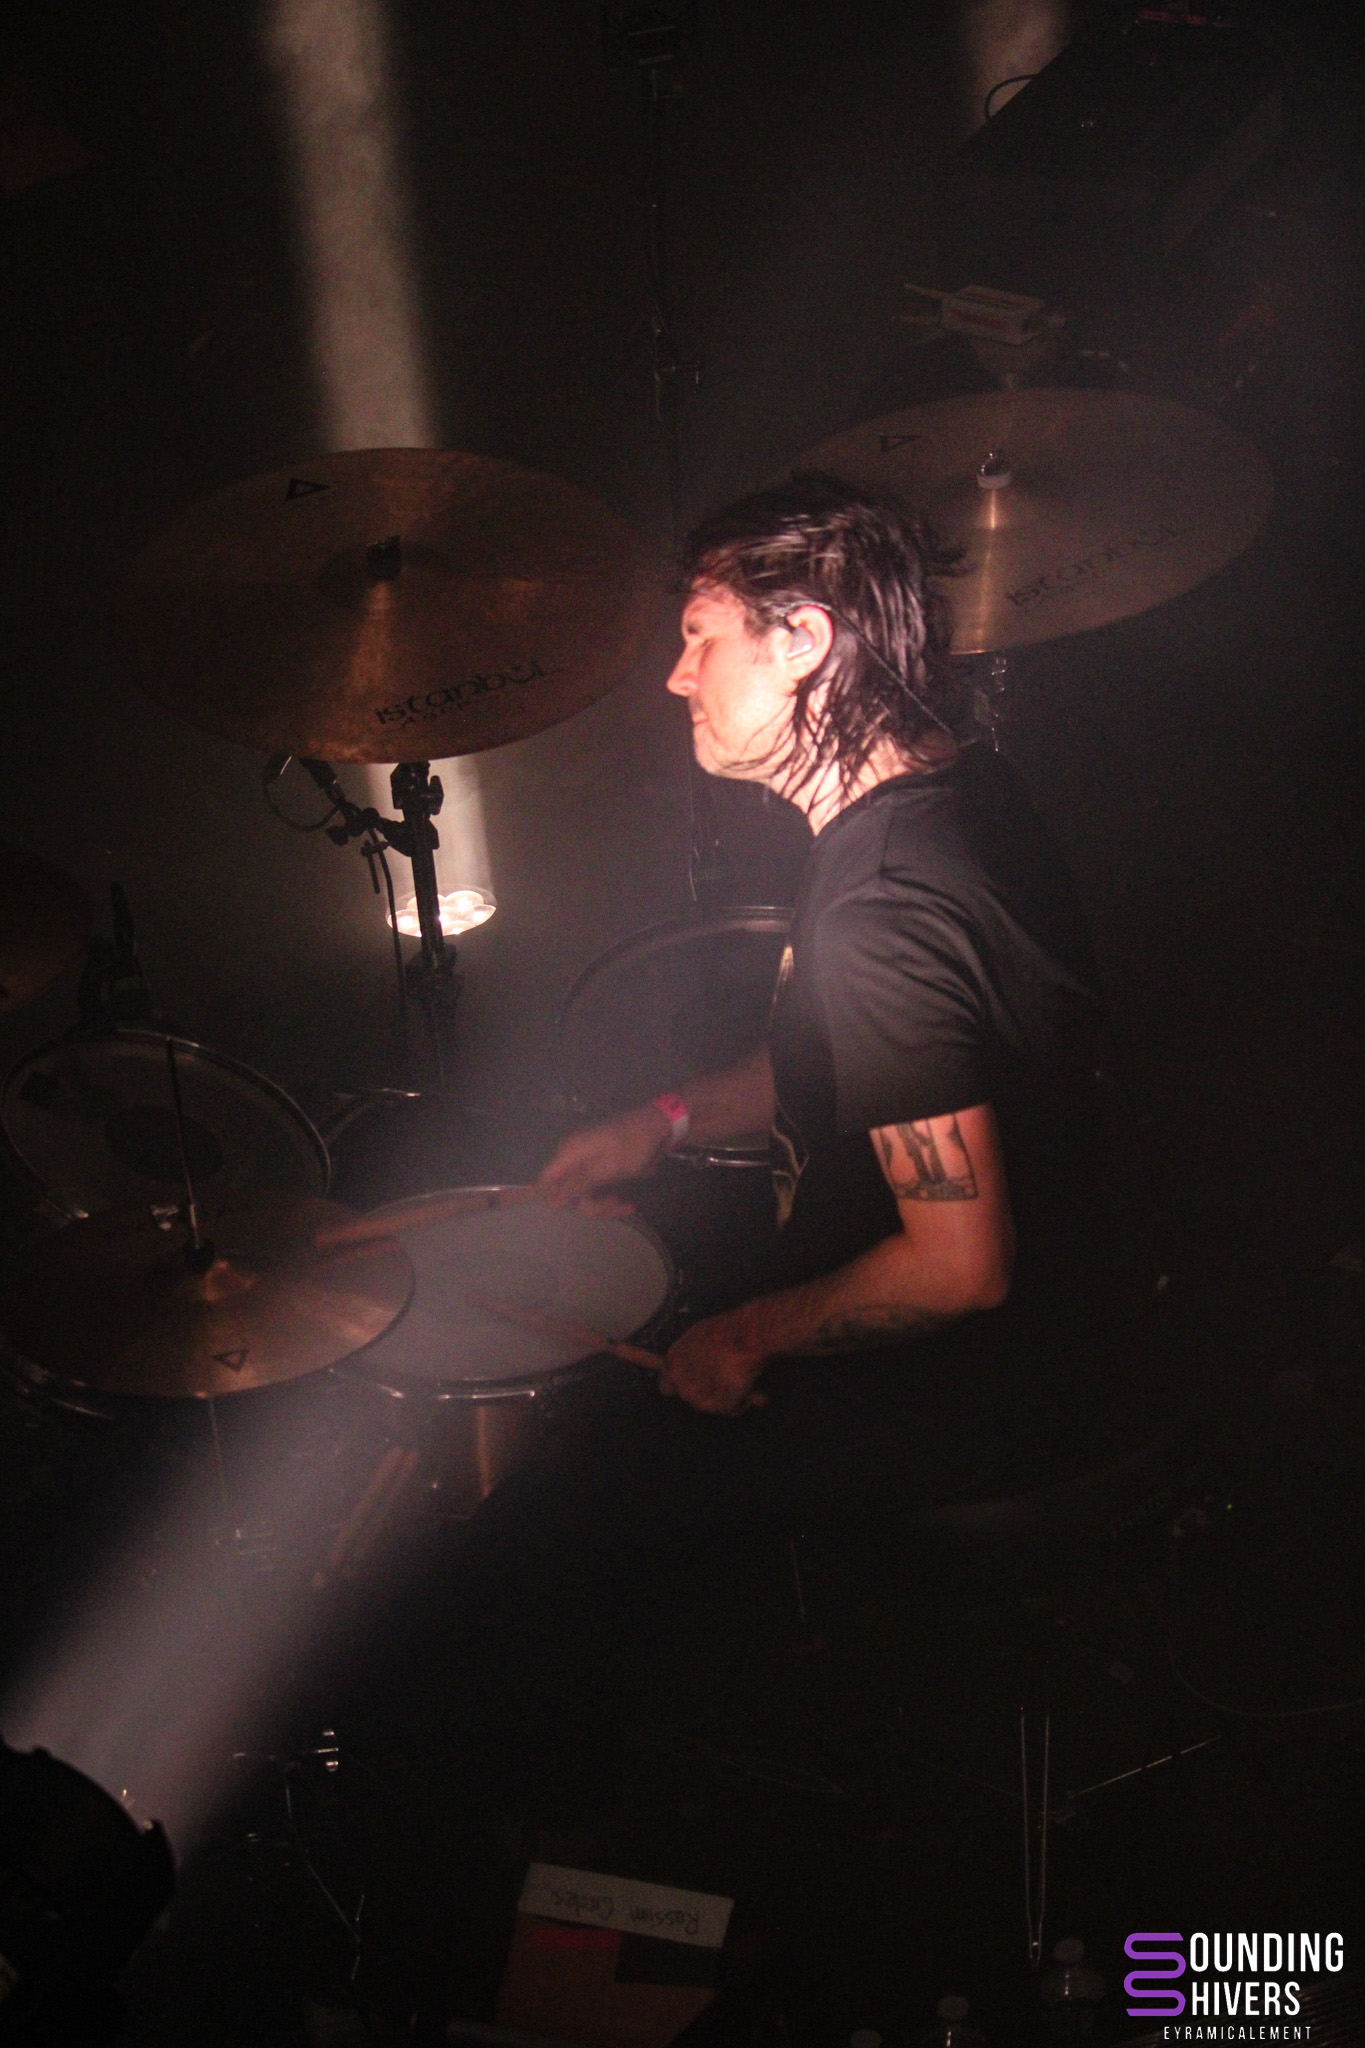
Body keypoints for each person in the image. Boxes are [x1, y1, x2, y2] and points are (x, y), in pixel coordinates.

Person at [537, 472, 1111, 1482]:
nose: (677, 676)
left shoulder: (876, 911)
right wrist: (660, 1121)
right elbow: (844, 1049)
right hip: (1041, 1307)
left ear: (802, 639)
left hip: (960, 1411)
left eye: (701, 636)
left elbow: (959, 1269)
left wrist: (743, 1336)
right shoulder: (951, 777)